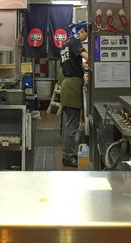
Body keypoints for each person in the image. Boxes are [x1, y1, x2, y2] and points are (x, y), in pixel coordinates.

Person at [59, 21, 89, 168]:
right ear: (81, 31)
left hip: (67, 83)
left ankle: (67, 154)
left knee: (67, 124)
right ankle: (69, 157)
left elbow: (73, 62)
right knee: (72, 125)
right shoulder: (75, 42)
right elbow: (88, 57)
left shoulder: (65, 44)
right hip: (72, 86)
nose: (86, 36)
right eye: (86, 33)